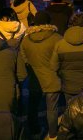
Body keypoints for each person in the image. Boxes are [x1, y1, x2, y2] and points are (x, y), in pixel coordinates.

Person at [19, 11, 62, 140]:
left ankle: (34, 130)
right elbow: (61, 56)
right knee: (52, 109)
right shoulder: (57, 38)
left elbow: (24, 57)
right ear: (49, 22)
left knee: (33, 106)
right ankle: (53, 134)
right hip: (52, 78)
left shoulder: (26, 40)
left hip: (35, 79)